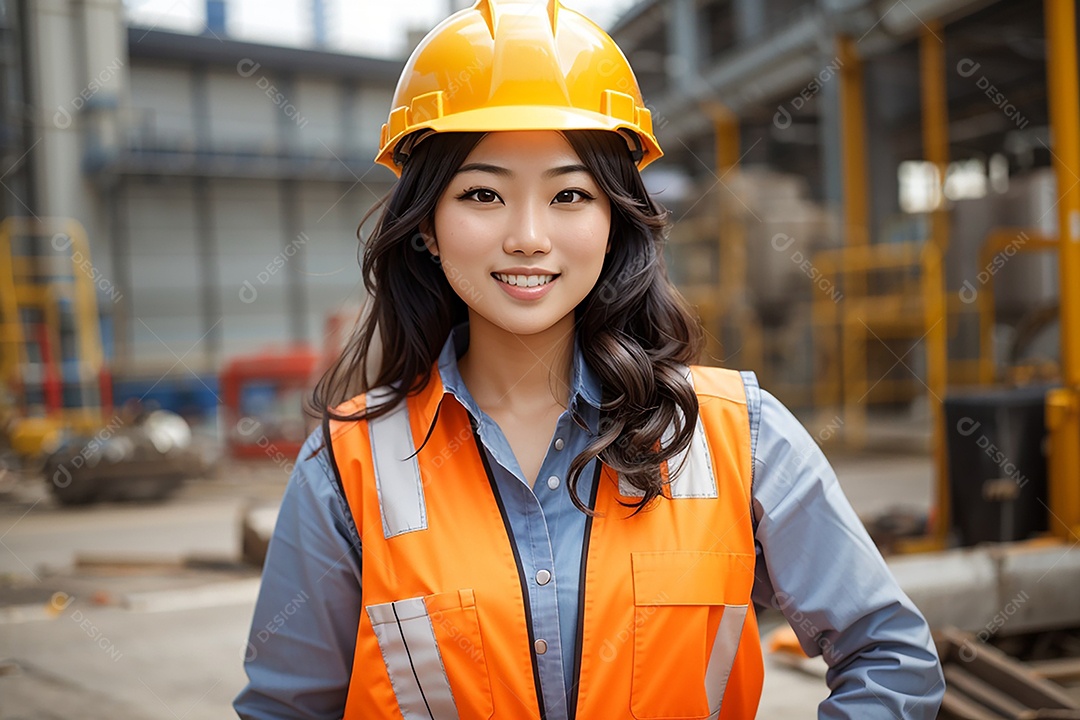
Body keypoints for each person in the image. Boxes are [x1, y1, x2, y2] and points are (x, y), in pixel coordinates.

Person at [234, 1, 945, 718]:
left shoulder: (736, 436)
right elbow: (286, 708)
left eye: (570, 194)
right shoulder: (348, 468)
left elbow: (889, 657)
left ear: (613, 223)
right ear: (426, 228)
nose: (529, 237)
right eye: (483, 193)